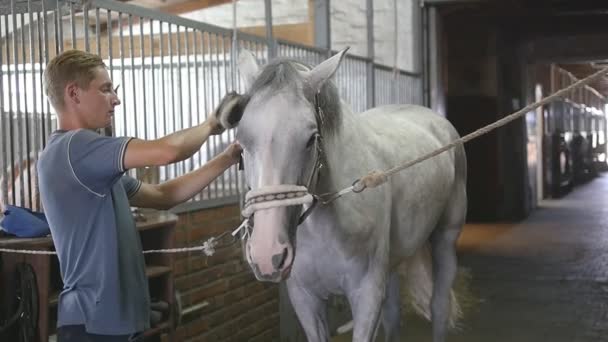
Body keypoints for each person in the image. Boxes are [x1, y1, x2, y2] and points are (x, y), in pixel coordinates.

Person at [37, 49, 243, 342]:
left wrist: (228, 157)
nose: (116, 99)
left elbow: (163, 195)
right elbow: (167, 152)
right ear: (74, 93)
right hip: (96, 324)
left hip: (112, 322)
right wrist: (212, 124)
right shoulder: (75, 147)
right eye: (106, 89)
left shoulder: (85, 163)